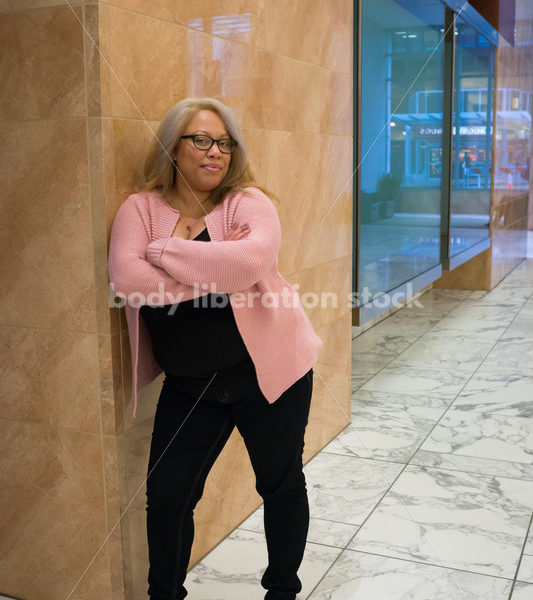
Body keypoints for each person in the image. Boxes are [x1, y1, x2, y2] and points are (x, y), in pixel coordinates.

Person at [108, 97, 322, 600]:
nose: (216, 152)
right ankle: (164, 594)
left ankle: (282, 591)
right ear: (172, 148)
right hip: (190, 384)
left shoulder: (247, 203)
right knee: (166, 499)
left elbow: (246, 265)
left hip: (268, 373)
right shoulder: (139, 209)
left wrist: (163, 252)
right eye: (201, 140)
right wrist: (212, 271)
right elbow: (129, 281)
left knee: (280, 484)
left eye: (224, 143)